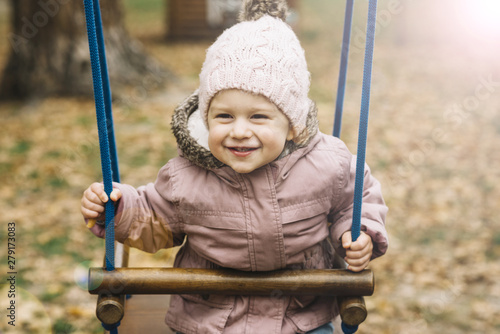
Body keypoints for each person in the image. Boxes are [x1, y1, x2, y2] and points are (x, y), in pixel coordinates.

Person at [81, 0, 388, 333]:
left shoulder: (328, 162)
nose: (239, 131)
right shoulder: (187, 177)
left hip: (300, 317)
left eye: (258, 116)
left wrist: (358, 234)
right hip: (208, 319)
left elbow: (356, 200)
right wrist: (117, 208)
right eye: (224, 116)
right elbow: (154, 218)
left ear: (293, 124)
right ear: (206, 118)